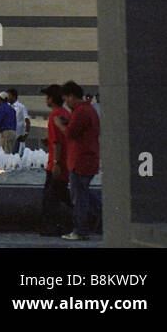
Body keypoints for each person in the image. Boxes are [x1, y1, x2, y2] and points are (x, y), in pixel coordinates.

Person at [59, 80, 102, 241]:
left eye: (66, 99)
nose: (66, 103)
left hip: (80, 161)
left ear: (71, 96)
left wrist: (60, 125)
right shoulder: (89, 109)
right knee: (85, 195)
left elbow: (71, 134)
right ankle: (105, 220)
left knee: (79, 198)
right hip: (88, 159)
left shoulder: (81, 111)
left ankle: (80, 231)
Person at [40, 83, 73, 237]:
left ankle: (52, 228)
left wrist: (55, 164)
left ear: (51, 99)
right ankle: (80, 221)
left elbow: (58, 143)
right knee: (63, 195)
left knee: (50, 198)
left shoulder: (55, 116)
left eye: (47, 96)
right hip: (66, 162)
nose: (46, 99)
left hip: (56, 164)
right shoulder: (65, 113)